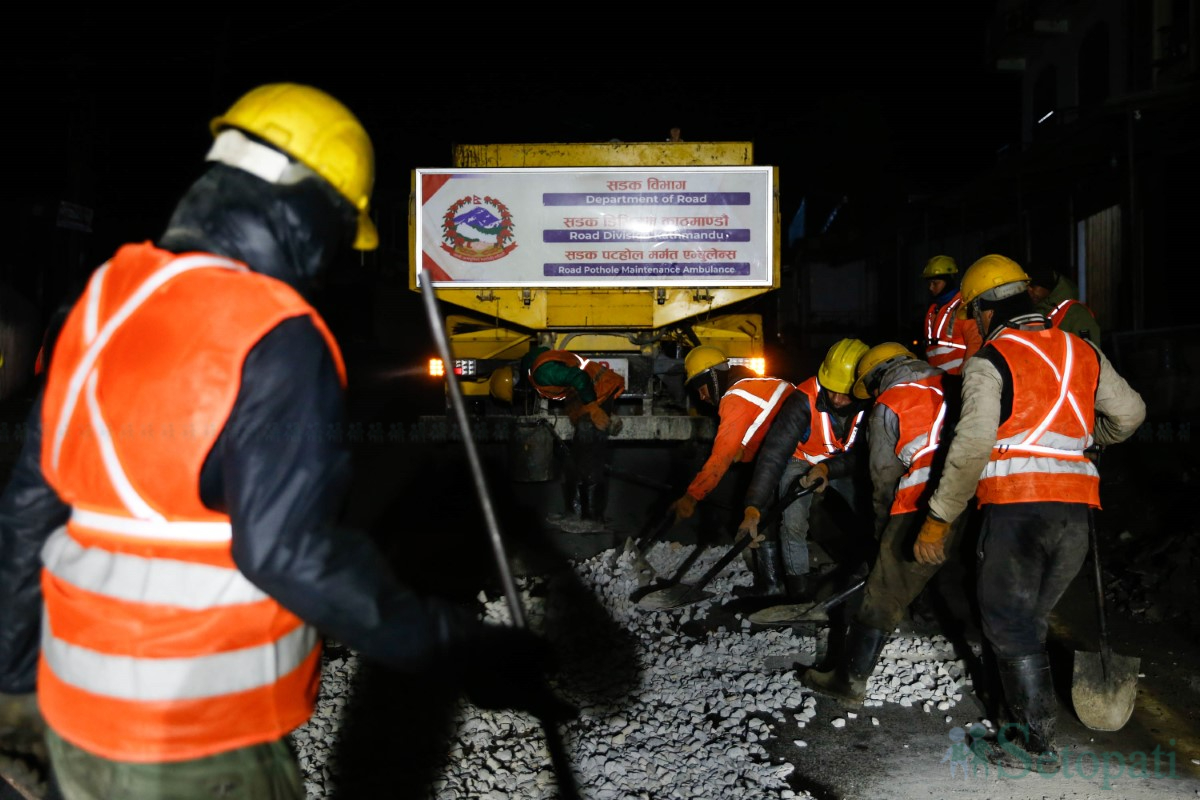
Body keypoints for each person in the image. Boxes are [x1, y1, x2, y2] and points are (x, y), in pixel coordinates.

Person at [0, 83, 566, 800]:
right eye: (341, 233)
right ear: (309, 210)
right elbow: (286, 553)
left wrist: (12, 688)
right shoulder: (275, 332)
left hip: (75, 714)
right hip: (200, 743)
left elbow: (29, 508)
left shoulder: (104, 301)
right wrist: (467, 651)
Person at [914, 254, 1144, 765]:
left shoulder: (989, 361)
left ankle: (1033, 744)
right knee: (1029, 619)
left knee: (1007, 621)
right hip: (1076, 513)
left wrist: (939, 518)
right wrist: (1086, 441)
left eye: (973, 315)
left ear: (985, 311)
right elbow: (1131, 413)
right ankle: (1014, 718)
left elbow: (972, 445)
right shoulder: (1082, 349)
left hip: (1017, 510)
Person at [802, 343, 966, 705]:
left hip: (921, 501)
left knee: (883, 590)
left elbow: (884, 476)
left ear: (877, 378)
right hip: (970, 493)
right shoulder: (951, 382)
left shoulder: (890, 402)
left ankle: (848, 681)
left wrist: (884, 534)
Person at [737, 338, 871, 600]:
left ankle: (869, 573)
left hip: (847, 465)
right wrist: (753, 506)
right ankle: (799, 593)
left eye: (845, 393)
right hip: (802, 461)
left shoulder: (874, 402)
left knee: (870, 514)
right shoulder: (803, 399)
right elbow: (774, 455)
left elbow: (867, 455)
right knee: (792, 523)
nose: (836, 399)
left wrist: (827, 469)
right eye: (831, 390)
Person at [668, 345, 796, 596]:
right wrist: (742, 451)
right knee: (768, 508)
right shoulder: (755, 384)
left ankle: (773, 586)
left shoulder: (734, 397)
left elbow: (722, 456)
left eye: (701, 388)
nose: (701, 397)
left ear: (712, 378)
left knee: (760, 510)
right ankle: (778, 582)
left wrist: (692, 496)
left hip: (794, 452)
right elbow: (760, 425)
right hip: (802, 445)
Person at [521, 345, 625, 521]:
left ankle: (592, 518)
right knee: (577, 458)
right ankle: (575, 513)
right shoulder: (542, 364)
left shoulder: (542, 373)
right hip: (590, 395)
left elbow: (579, 376)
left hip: (597, 393)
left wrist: (593, 407)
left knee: (589, 458)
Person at [922, 255, 982, 375]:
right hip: (937, 380)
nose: (931, 287)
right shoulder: (933, 310)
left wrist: (965, 376)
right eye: (929, 283)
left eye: (935, 283)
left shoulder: (963, 306)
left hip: (958, 378)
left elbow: (975, 343)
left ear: (948, 281)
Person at [1025, 265, 1102, 344]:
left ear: (1047, 286)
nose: (1029, 290)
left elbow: (1088, 349)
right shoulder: (1034, 311)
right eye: (1026, 287)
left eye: (1033, 286)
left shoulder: (1077, 314)